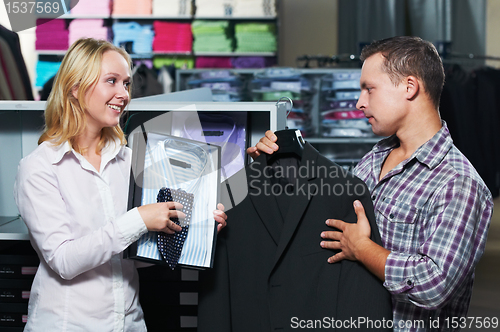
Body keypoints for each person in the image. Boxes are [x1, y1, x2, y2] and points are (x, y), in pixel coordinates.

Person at [247, 36, 493, 331]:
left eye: (369, 89)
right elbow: (330, 205)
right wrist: (279, 162)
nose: (359, 102)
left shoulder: (457, 183)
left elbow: (434, 283)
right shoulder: (375, 158)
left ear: (409, 87)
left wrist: (362, 249)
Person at [14, 38, 227, 331]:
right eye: (111, 81)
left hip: (130, 323)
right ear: (75, 88)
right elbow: (63, 261)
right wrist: (139, 219)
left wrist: (197, 230)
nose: (123, 94)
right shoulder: (40, 167)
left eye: (126, 83)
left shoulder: (132, 161)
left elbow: (134, 257)